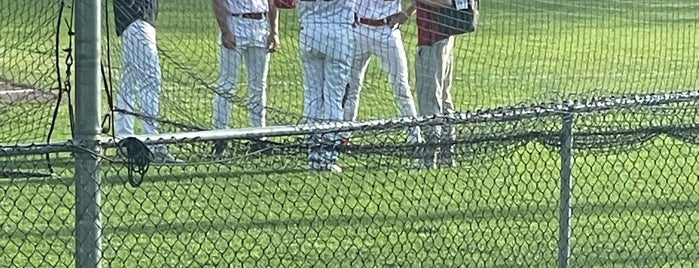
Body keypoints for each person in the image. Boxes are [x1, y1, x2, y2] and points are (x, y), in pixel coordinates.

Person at [393, 0, 477, 168]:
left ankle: (430, 156)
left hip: (434, 39)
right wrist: (409, 11)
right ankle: (446, 153)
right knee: (443, 96)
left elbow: (446, 2)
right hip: (441, 38)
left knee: (429, 98)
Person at [342, 0, 422, 146]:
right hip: (359, 29)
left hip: (387, 31)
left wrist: (407, 13)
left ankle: (415, 138)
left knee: (401, 88)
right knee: (350, 87)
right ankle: (343, 136)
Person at [113, 0, 181, 163]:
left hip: (136, 20)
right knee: (151, 81)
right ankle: (153, 144)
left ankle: (124, 139)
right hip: (137, 19)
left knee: (129, 83)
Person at [211, 0, 280, 156]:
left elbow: (272, 2)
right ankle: (219, 136)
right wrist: (225, 30)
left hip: (260, 26)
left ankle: (259, 136)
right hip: (235, 22)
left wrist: (274, 31)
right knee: (227, 84)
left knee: (258, 85)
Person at [297, 0, 357, 172]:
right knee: (334, 97)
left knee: (312, 96)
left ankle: (313, 155)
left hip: (310, 30)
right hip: (338, 32)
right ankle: (328, 156)